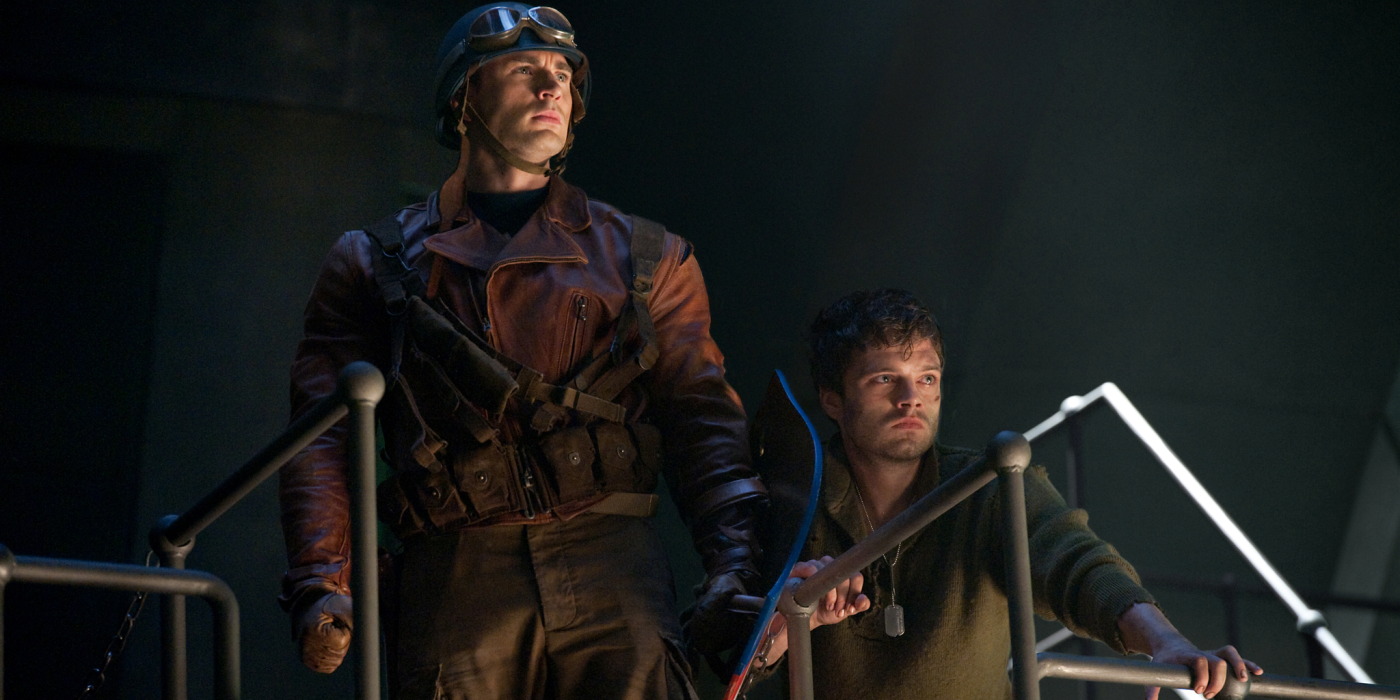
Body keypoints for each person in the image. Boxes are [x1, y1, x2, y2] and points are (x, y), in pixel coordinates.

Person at [276, 5, 766, 698]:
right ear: (463, 96)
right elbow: (319, 437)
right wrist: (322, 581)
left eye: (562, 74)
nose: (551, 87)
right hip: (458, 576)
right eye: (523, 70)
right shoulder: (372, 262)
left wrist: (736, 566)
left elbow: (704, 424)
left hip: (613, 569)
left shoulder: (648, 257)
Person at [750, 288, 1261, 700]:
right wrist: (795, 616)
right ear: (832, 399)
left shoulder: (988, 487)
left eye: (926, 378)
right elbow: (731, 660)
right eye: (885, 379)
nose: (911, 398)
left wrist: (1165, 643)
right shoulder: (790, 501)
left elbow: (1079, 565)